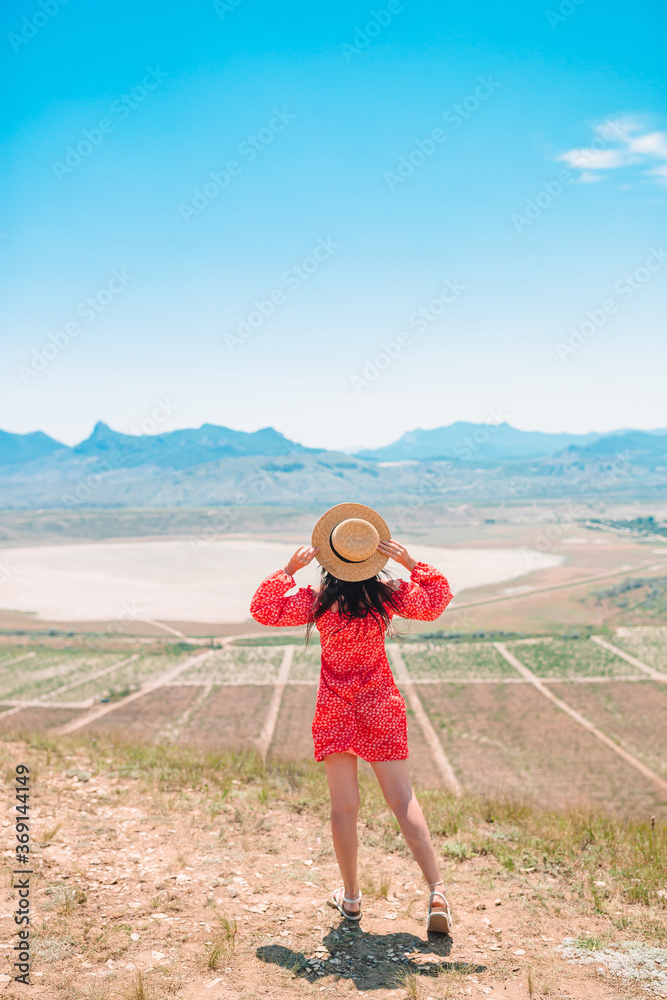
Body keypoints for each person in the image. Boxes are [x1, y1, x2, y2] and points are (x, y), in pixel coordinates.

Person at [249, 502, 454, 934]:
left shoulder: (319, 602)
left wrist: (287, 570)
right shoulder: (388, 596)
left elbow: (263, 609)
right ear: (372, 557)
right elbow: (435, 603)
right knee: (402, 800)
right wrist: (411, 563)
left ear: (328, 556)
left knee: (344, 808)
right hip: (380, 704)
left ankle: (353, 899)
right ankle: (436, 890)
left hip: (336, 708)